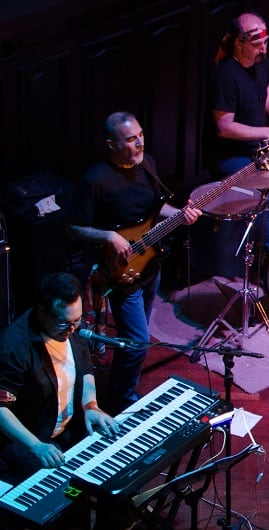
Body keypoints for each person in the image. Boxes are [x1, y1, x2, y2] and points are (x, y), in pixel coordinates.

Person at [69, 111, 201, 409]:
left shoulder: (148, 165)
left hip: (150, 264)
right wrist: (108, 237)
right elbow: (73, 228)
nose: (139, 143)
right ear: (111, 144)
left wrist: (182, 215)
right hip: (120, 272)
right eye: (130, 139)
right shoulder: (94, 180)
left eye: (140, 135)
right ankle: (122, 399)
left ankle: (123, 388)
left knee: (134, 338)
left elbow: (158, 209)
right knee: (138, 340)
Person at [0, 272, 120, 485]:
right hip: (24, 441)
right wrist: (35, 445)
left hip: (63, 432)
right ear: (42, 312)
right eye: (64, 323)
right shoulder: (13, 347)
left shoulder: (73, 328)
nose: (72, 329)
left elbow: (86, 370)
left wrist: (91, 406)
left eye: (77, 321)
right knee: (61, 492)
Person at [204, 11, 269, 179]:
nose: (263, 49)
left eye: (266, 42)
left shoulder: (260, 60)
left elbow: (264, 87)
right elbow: (224, 128)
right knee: (265, 185)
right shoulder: (225, 76)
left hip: (257, 146)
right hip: (231, 155)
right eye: (257, 45)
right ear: (239, 43)